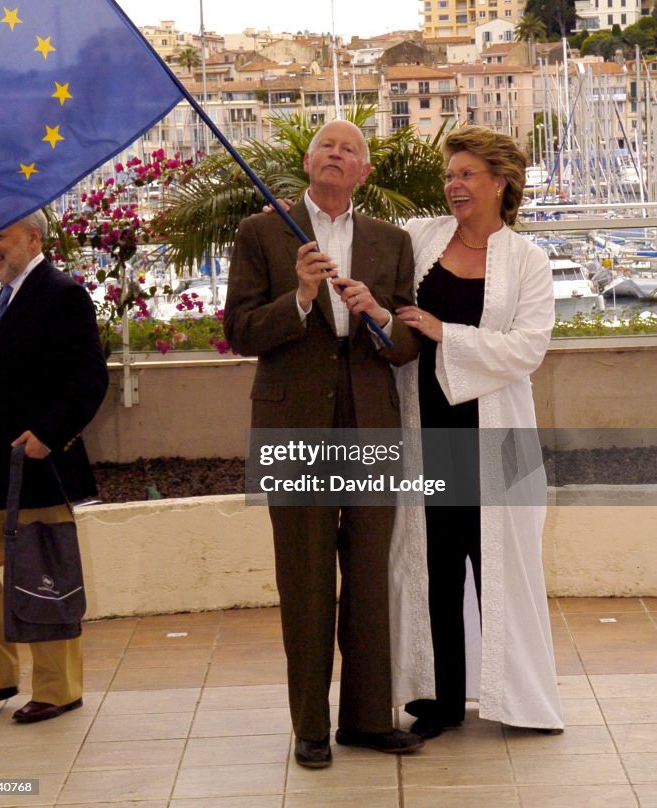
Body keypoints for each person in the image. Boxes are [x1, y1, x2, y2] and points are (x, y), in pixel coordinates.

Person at [224, 119, 424, 768]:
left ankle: (367, 720)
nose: (336, 155)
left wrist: (380, 315)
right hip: (295, 426)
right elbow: (241, 332)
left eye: (350, 150)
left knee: (369, 578)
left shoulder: (389, 242)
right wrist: (303, 297)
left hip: (370, 422)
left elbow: (405, 348)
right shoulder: (262, 233)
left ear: (363, 173)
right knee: (305, 579)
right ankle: (309, 725)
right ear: (308, 163)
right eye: (326, 147)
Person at [390, 124, 563, 737]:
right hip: (428, 428)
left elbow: (527, 348)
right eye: (450, 174)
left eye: (465, 174)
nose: (453, 184)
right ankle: (438, 702)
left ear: (499, 182)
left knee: (500, 565)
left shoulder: (528, 260)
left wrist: (445, 333)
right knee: (434, 563)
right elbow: (383, 293)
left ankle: (515, 697)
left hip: (497, 435)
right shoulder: (421, 238)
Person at [0, 210, 109, 723]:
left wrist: (48, 434)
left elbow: (89, 379)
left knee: (46, 577)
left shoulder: (62, 294)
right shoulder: (0, 295)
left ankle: (59, 689)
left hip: (40, 465)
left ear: (33, 236)